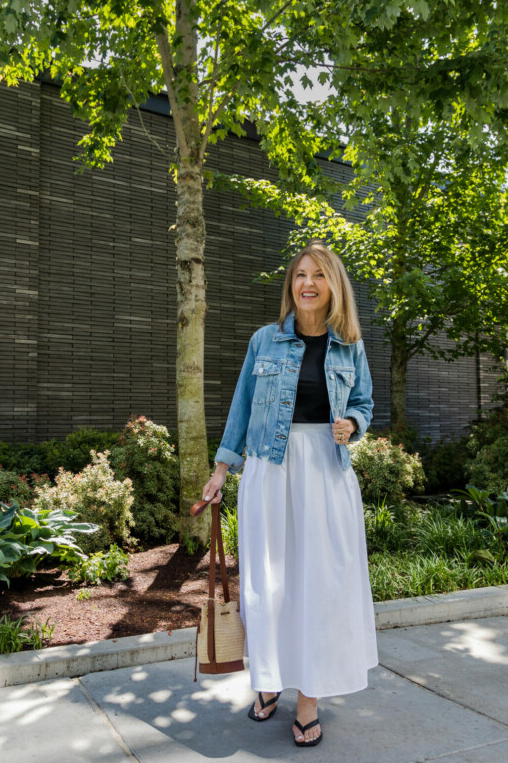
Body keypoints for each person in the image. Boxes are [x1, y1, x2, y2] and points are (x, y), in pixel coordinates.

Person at [201, 242, 378, 748]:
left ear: (333, 285)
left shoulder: (350, 344)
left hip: (325, 472)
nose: (307, 283)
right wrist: (221, 470)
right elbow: (241, 405)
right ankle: (269, 679)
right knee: (269, 583)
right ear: (291, 284)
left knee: (321, 585)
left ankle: (309, 699)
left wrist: (353, 423)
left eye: (318, 275)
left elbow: (364, 401)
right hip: (268, 471)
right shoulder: (264, 341)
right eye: (300, 274)